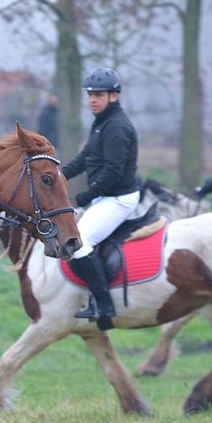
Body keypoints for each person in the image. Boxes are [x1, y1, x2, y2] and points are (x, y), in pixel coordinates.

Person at [62, 67, 140, 331]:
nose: (92, 99)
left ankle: (104, 305)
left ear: (114, 96)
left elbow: (113, 171)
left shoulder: (117, 127)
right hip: (106, 197)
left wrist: (85, 196)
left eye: (99, 95)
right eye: (90, 94)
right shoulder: (102, 121)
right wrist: (58, 175)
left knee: (79, 244)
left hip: (118, 199)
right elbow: (85, 158)